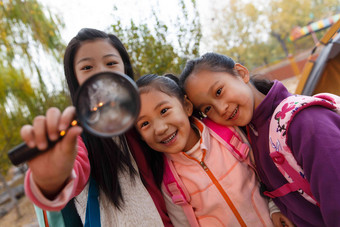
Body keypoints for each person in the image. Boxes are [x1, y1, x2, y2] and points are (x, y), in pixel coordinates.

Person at [21, 28, 172, 226]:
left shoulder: (144, 122)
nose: (101, 72)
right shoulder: (76, 137)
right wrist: (51, 179)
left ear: (125, 70)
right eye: (87, 67)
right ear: (75, 79)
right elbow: (70, 172)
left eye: (111, 63)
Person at [178, 52, 340, 226]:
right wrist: (277, 208)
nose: (221, 108)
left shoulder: (304, 122)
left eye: (219, 91)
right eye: (208, 108)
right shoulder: (250, 135)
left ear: (241, 73)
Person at [134, 73, 292, 226]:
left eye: (164, 111)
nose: (160, 129)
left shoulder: (228, 134)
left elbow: (264, 172)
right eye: (145, 124)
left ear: (187, 106)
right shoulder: (170, 182)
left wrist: (274, 208)